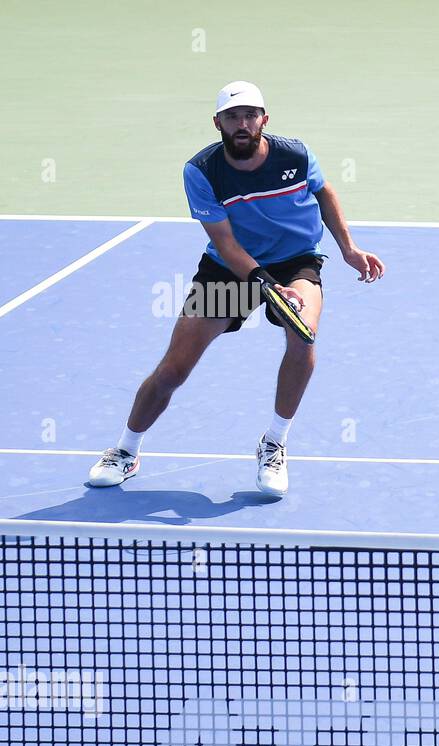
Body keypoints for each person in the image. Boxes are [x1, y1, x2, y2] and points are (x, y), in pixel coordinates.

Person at [88, 80, 385, 496]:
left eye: (250, 115)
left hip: (296, 260)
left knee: (303, 336)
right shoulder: (202, 171)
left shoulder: (294, 156)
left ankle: (274, 443)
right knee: (174, 369)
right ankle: (125, 450)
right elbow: (226, 244)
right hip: (228, 269)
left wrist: (349, 249)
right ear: (218, 123)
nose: (242, 123)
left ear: (264, 119)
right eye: (232, 116)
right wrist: (265, 287)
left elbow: (324, 192)